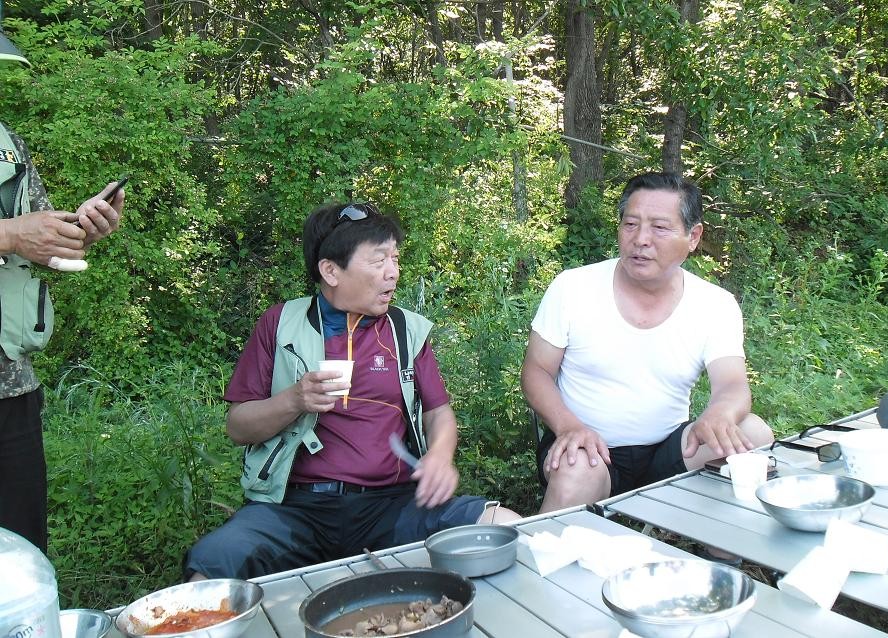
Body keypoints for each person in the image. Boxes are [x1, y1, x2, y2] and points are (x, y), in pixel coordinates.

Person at [185, 202, 518, 580]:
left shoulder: (405, 331)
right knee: (211, 565)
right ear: (331, 271)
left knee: (504, 526)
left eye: (395, 258)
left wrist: (440, 456)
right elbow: (238, 427)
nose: (393, 272)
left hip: (393, 507)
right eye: (378, 260)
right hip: (294, 510)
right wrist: (294, 399)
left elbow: (438, 412)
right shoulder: (281, 324)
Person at [521, 171, 773, 515]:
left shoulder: (715, 304)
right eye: (630, 224)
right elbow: (536, 371)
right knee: (577, 467)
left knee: (752, 432)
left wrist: (719, 415)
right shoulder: (573, 288)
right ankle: (545, 545)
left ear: (693, 236)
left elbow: (732, 384)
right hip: (588, 448)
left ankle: (717, 541)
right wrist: (569, 426)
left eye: (659, 227)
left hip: (668, 451)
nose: (641, 239)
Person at [0, 27, 124, 552]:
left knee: (21, 554)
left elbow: (41, 245)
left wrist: (81, 230)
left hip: (10, 383)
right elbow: (14, 235)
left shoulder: (7, 145)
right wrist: (10, 234)